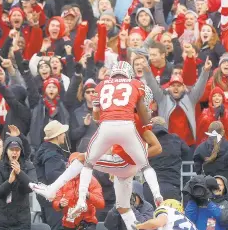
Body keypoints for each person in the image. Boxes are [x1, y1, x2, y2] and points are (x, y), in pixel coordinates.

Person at [69, 61, 162, 219]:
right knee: (123, 208)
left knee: (79, 158)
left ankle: (64, 193)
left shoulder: (135, 118)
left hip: (123, 162)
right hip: (123, 163)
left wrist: (135, 156)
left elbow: (157, 147)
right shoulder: (134, 109)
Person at [50, 152, 105, 230]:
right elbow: (55, 202)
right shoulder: (63, 180)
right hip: (68, 222)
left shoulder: (91, 180)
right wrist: (59, 204)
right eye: (72, 165)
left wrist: (89, 195)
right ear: (68, 166)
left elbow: (101, 204)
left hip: (87, 221)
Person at [33, 120, 69, 230]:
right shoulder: (52, 154)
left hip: (45, 196)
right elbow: (53, 175)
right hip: (53, 198)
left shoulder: (45, 149)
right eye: (63, 133)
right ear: (57, 136)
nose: (64, 135)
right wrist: (70, 174)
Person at [193, 121, 228, 202]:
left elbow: (197, 170)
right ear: (223, 132)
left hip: (208, 187)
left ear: (208, 132)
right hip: (225, 187)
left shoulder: (200, 148)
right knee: (227, 213)